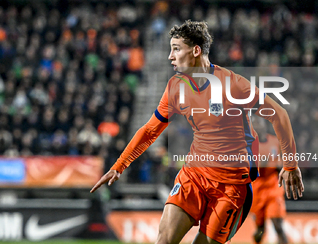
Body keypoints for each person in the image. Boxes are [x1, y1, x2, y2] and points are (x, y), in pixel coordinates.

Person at [90, 20, 304, 244]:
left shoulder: (233, 85)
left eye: (176, 49)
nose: (170, 57)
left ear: (195, 50)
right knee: (164, 241)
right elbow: (150, 130)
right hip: (194, 175)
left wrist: (290, 165)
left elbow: (279, 114)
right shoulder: (175, 87)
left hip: (232, 186)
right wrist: (119, 165)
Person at [250, 117, 288, 244]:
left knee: (278, 225)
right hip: (257, 189)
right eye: (255, 125)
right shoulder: (248, 146)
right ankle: (257, 235)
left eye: (260, 124)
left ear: (265, 126)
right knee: (260, 230)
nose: (258, 127)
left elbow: (282, 161)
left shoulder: (275, 141)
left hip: (273, 187)